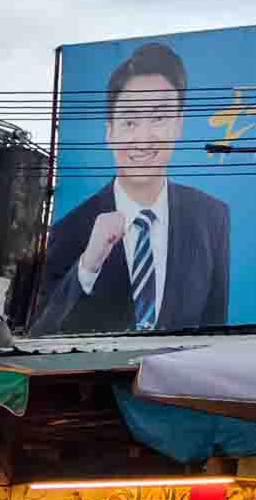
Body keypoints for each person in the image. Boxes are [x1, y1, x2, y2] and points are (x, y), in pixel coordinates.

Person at [33, 43, 232, 335]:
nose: (143, 138)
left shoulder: (212, 218)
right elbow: (40, 336)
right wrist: (88, 265)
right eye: (129, 121)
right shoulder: (70, 230)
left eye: (159, 118)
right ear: (109, 132)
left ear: (178, 126)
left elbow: (216, 331)